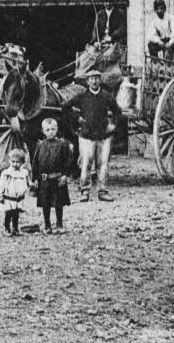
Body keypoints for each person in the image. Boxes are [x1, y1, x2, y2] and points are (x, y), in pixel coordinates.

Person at [61, 69, 122, 203]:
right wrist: (77, 118)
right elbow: (65, 106)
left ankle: (103, 192)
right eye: (91, 79)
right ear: (87, 81)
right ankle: (84, 191)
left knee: (103, 165)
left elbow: (118, 111)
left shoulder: (106, 96)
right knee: (86, 163)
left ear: (100, 80)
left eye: (96, 78)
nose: (94, 81)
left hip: (104, 136)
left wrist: (113, 125)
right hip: (86, 136)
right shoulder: (82, 96)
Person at [32, 117, 74, 234]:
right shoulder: (40, 145)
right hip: (44, 180)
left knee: (58, 203)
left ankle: (59, 225)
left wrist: (65, 175)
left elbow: (68, 161)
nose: (50, 132)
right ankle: (47, 226)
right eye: (47, 130)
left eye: (53, 129)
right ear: (43, 131)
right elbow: (35, 162)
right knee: (45, 203)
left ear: (57, 129)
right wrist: (35, 178)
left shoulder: (63, 144)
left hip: (58, 179)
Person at [0, 148, 30, 237]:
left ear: (22, 162)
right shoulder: (6, 173)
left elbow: (28, 183)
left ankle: (15, 228)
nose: (15, 164)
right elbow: (1, 185)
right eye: (13, 162)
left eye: (18, 162)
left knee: (16, 213)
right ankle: (7, 228)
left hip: (18, 198)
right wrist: (0, 194)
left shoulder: (24, 173)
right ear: (10, 161)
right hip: (9, 197)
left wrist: (32, 185)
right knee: (8, 213)